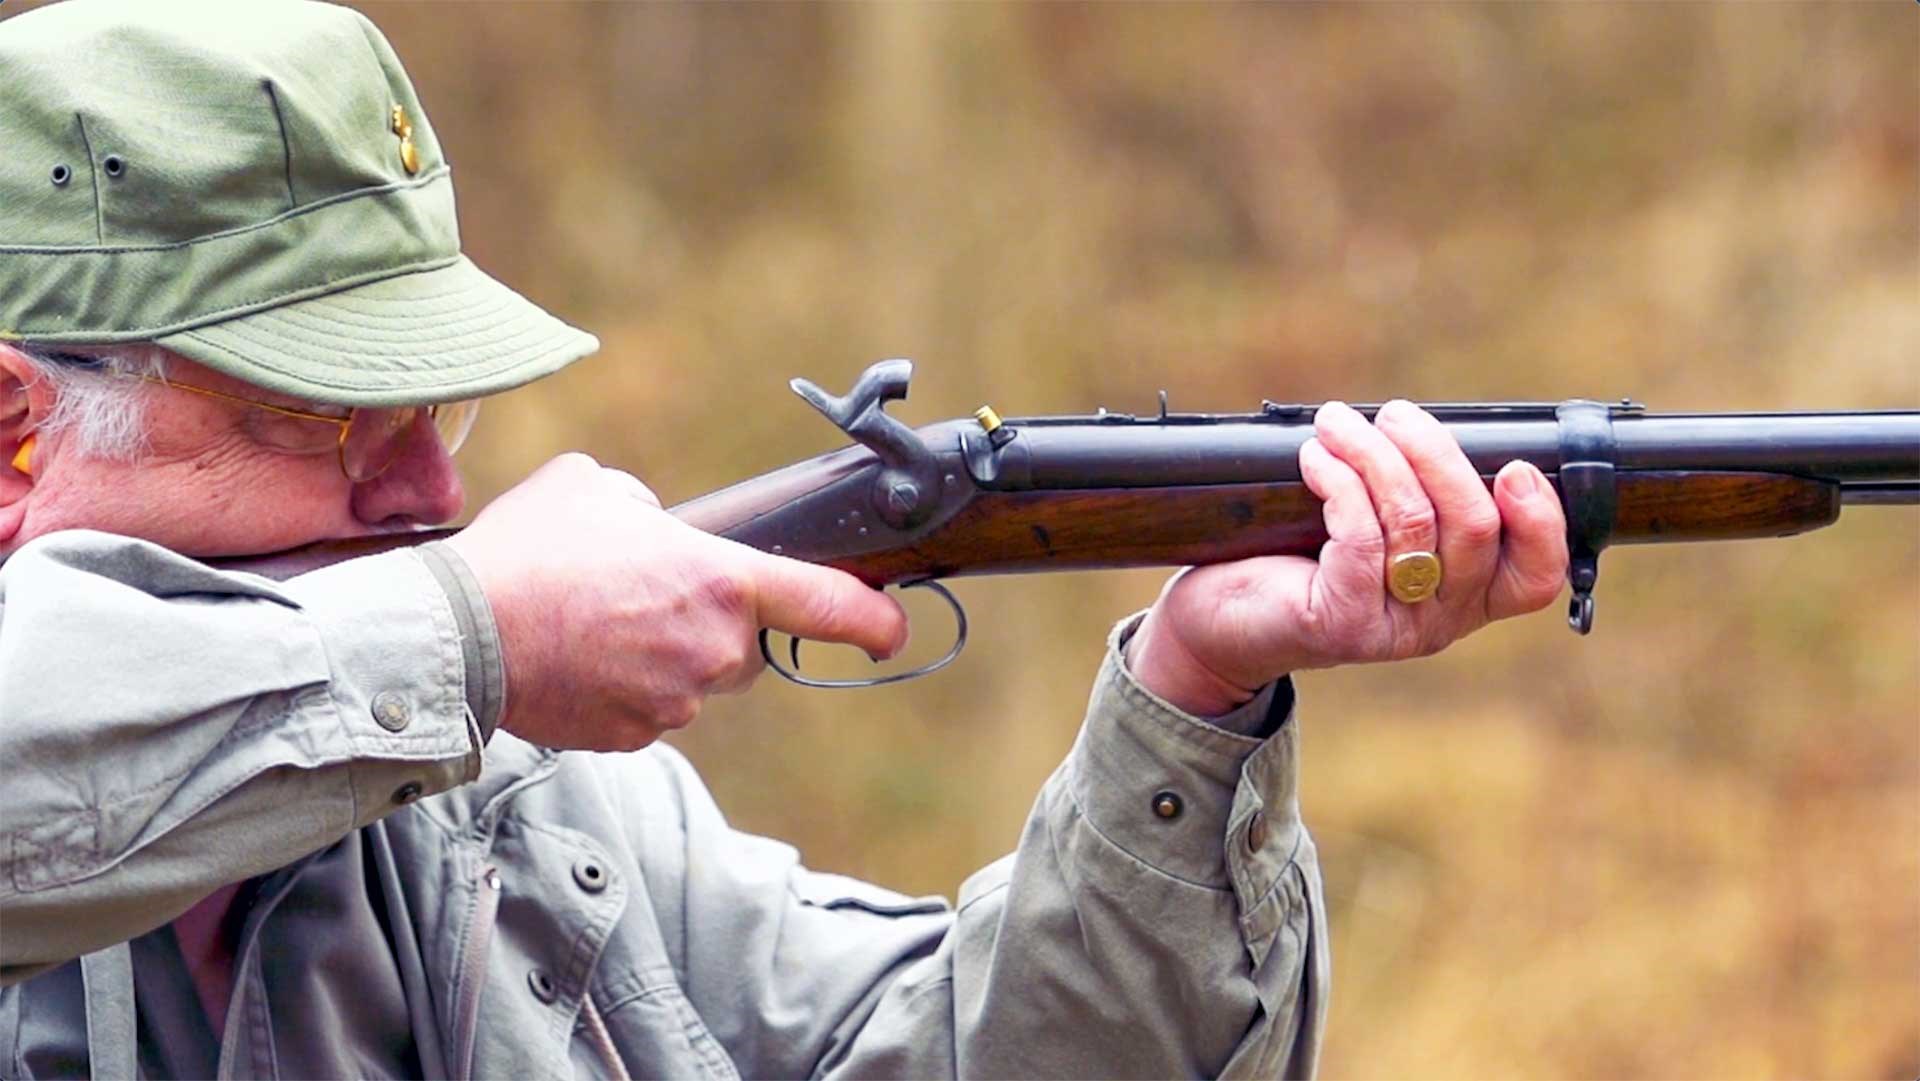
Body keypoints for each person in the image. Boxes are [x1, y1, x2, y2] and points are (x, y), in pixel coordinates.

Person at [0, 2, 1570, 1078]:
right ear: (16, 430)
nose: (422, 494)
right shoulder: (454, 675)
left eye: (432, 408)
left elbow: (946, 1053)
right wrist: (484, 634)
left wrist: (1195, 692)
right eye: (324, 419)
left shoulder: (515, 805)